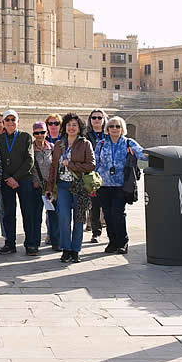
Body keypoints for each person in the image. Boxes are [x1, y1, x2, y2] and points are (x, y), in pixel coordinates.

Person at [45, 112, 96, 264]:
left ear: (79, 127)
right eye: (69, 125)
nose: (71, 128)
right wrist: (49, 187)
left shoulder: (85, 143)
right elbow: (54, 166)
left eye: (74, 125)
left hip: (79, 185)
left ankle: (75, 250)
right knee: (64, 217)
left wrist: (72, 165)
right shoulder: (59, 144)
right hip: (62, 185)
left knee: (78, 218)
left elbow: (91, 164)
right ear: (64, 127)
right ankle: (66, 249)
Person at [95, 116, 146, 255]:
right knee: (108, 214)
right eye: (111, 126)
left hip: (121, 185)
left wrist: (157, 154)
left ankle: (122, 242)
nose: (114, 129)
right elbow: (96, 163)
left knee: (118, 213)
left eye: (117, 126)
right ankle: (112, 242)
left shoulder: (129, 143)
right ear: (107, 129)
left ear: (122, 129)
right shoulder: (101, 144)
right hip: (103, 185)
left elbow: (142, 154)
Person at [0, 109, 35, 255]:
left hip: (24, 180)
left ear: (17, 122)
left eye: (13, 120)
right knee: (8, 214)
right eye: (7, 120)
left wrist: (15, 178)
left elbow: (29, 160)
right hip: (6, 181)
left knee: (28, 212)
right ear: (3, 123)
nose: (10, 122)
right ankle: (10, 243)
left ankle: (31, 244)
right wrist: (7, 178)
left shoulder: (25, 137)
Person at [31, 121, 58, 251]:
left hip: (50, 187)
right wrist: (33, 181)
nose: (40, 135)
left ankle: (55, 240)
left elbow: (55, 166)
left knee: (53, 215)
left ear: (46, 133)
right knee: (36, 217)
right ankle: (34, 244)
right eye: (37, 133)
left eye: (42, 132)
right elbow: (27, 167)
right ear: (33, 134)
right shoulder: (30, 149)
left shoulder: (51, 147)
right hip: (36, 187)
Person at [84, 109, 108, 244]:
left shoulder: (109, 134)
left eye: (99, 117)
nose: (97, 120)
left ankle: (111, 231)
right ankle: (96, 232)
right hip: (92, 175)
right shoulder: (86, 136)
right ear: (90, 120)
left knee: (109, 205)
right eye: (94, 118)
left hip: (108, 176)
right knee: (94, 205)